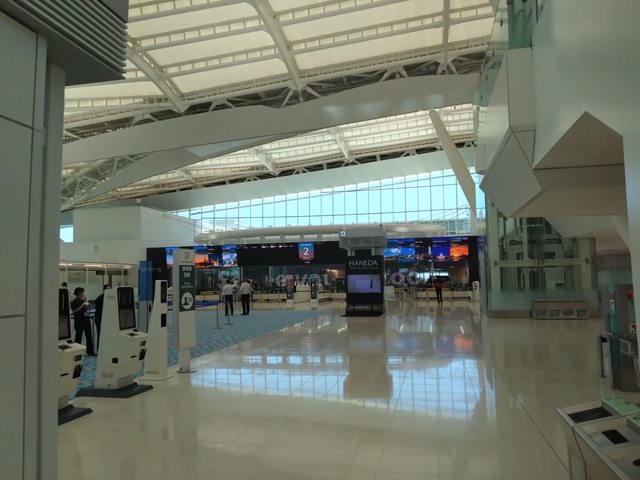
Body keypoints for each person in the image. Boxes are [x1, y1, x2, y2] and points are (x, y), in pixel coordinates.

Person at [70, 287, 96, 356]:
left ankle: (90, 352)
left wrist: (86, 306)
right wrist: (82, 306)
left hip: (86, 320)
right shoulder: (74, 302)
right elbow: (74, 311)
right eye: (82, 292)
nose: (83, 293)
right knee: (78, 337)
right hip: (79, 321)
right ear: (78, 293)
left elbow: (86, 310)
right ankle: (77, 352)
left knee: (89, 337)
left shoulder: (83, 300)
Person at [93, 284, 111, 350]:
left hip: (106, 319)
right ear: (104, 290)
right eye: (107, 289)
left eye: (110, 289)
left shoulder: (110, 297)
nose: (109, 290)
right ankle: (99, 350)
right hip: (99, 319)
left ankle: (106, 348)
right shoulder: (100, 298)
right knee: (100, 335)